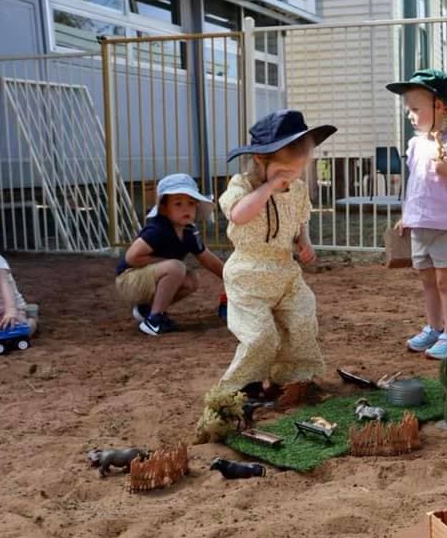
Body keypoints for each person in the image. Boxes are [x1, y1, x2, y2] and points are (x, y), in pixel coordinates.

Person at [212, 109, 336, 397]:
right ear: (261, 159)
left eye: (298, 170)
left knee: (303, 318)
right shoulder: (242, 185)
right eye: (284, 171)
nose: (290, 178)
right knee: (261, 336)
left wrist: (304, 241)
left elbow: (300, 219)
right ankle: (242, 389)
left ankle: (295, 379)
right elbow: (239, 215)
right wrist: (268, 187)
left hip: (285, 271)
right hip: (249, 274)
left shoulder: (297, 189)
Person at [386, 68, 447, 360]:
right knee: (427, 280)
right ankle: (434, 328)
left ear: (440, 106)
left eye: (415, 108)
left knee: (445, 282)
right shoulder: (416, 144)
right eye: (409, 109)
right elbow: (415, 184)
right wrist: (407, 214)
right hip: (420, 225)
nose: (410, 115)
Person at [115, 173, 224, 336]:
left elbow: (209, 261)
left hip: (147, 277)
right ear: (164, 208)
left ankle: (147, 309)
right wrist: (168, 262)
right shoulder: (157, 229)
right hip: (129, 279)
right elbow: (132, 257)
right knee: (176, 267)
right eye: (178, 204)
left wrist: (234, 278)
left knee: (191, 280)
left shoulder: (189, 232)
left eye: (191, 203)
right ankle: (154, 320)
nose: (186, 209)